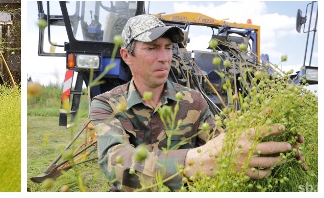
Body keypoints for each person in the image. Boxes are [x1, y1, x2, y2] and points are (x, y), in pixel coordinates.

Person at [90, 14, 304, 192]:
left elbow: (222, 148)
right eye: (152, 48)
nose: (164, 57)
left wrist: (264, 146)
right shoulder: (106, 104)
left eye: (167, 47)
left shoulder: (193, 100)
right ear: (127, 55)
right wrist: (192, 162)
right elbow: (116, 165)